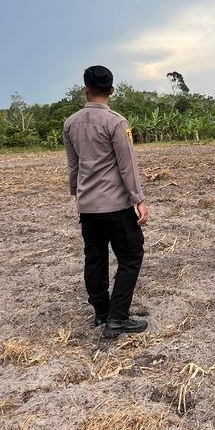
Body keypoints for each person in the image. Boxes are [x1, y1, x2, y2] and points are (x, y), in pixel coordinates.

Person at [64, 65, 150, 338]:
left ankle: (101, 313)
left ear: (85, 89)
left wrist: (77, 196)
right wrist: (139, 199)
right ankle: (117, 318)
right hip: (116, 206)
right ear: (112, 90)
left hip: (89, 207)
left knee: (95, 258)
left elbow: (73, 166)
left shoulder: (70, 123)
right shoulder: (116, 122)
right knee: (131, 256)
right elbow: (128, 166)